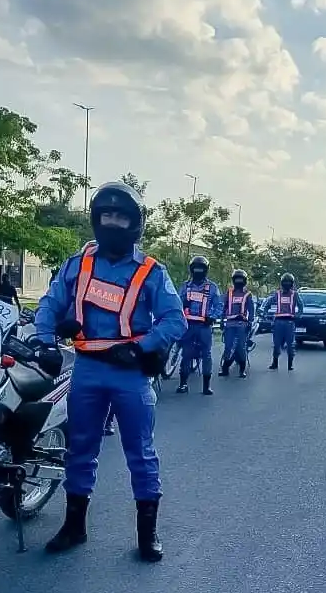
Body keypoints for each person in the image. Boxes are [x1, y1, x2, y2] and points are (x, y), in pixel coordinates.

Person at [34, 181, 187, 561]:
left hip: (130, 375)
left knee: (141, 452)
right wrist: (44, 338)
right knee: (80, 449)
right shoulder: (79, 263)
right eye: (107, 215)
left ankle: (147, 534)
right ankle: (74, 527)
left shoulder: (151, 271)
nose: (113, 222)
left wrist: (140, 347)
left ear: (136, 223)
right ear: (96, 219)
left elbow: (175, 320)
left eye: (122, 216)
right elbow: (50, 304)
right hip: (86, 370)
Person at [177, 256, 223, 395]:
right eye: (196, 269)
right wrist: (182, 305)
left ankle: (206, 386)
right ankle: (183, 384)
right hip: (188, 326)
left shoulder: (212, 287)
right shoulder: (185, 286)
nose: (198, 271)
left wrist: (213, 316)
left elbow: (219, 305)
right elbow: (177, 302)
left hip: (204, 326)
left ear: (206, 270)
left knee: (207, 355)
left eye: (201, 269)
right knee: (186, 354)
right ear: (191, 269)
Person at [261, 273, 304, 371]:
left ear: (292, 283)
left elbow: (301, 306)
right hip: (278, 322)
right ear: (282, 283)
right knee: (276, 344)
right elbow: (267, 304)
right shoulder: (277, 294)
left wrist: (298, 315)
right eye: (285, 282)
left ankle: (290, 364)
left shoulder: (295, 294)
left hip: (290, 322)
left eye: (289, 282)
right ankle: (275, 362)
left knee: (290, 345)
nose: (287, 284)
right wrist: (265, 313)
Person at [219, 268, 255, 378]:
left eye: (241, 279)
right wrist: (221, 320)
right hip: (229, 324)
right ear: (234, 280)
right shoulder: (228, 293)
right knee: (228, 347)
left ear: (244, 281)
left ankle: (242, 370)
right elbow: (223, 307)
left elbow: (251, 310)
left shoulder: (248, 294)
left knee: (241, 347)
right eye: (237, 279)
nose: (239, 281)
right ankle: (225, 369)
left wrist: (250, 322)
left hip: (242, 324)